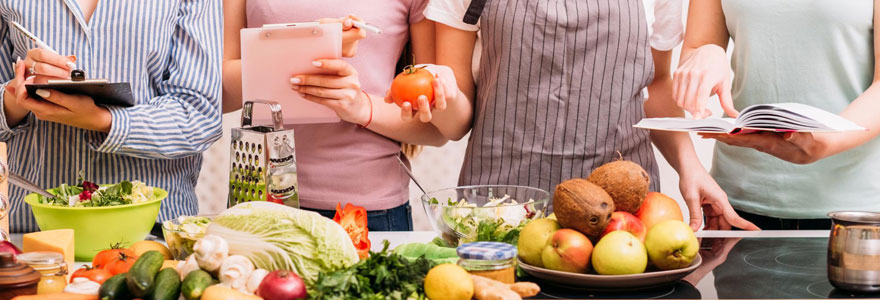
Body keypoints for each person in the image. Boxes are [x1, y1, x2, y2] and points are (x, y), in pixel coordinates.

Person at [415, 0, 758, 230]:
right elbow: (458, 122)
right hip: (501, 210)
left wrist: (690, 167)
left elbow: (657, 85)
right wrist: (437, 97)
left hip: (620, 214)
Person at [223, 0, 448, 231]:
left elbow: (435, 128)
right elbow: (220, 92)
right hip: (261, 197)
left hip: (368, 212)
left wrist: (362, 107)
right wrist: (316, 44)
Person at [0, 0, 223, 232]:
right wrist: (19, 95)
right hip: (30, 231)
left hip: (152, 234)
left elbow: (200, 115)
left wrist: (103, 120)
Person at [672, 0, 880, 229]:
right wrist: (708, 52)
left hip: (858, 211)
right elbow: (696, 49)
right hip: (737, 202)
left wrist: (823, 143)